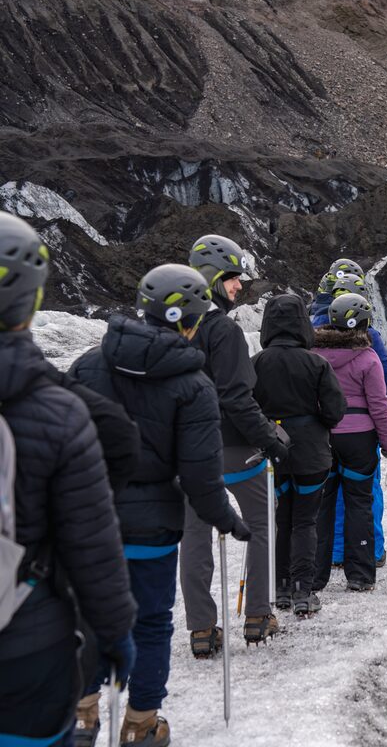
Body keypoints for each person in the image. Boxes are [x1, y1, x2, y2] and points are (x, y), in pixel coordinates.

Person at [71, 263, 250, 747]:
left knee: (87, 615)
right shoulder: (193, 386)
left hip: (90, 522)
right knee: (151, 621)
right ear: (190, 321)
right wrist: (226, 520)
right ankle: (141, 722)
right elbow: (199, 474)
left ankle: (83, 714)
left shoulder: (89, 365)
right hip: (151, 529)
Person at [0, 213, 137, 747]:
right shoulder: (59, 414)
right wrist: (114, 632)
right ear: (31, 303)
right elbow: (92, 547)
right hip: (26, 641)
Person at [179, 234, 290, 652]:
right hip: (234, 447)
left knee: (195, 533)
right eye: (232, 278)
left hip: (189, 452)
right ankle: (259, 616)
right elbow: (237, 399)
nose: (239, 286)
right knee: (260, 524)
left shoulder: (176, 328)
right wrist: (272, 440)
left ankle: (202, 629)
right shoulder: (222, 330)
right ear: (211, 278)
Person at [252, 294, 347, 616]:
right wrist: (316, 423)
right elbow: (335, 411)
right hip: (310, 452)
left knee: (283, 518)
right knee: (306, 521)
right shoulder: (316, 363)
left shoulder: (257, 362)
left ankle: (280, 587)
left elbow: (246, 406)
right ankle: (302, 591)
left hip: (271, 452)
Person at [310, 266, 387, 568]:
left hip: (321, 432)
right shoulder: (367, 341)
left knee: (329, 494)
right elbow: (384, 394)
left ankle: (334, 553)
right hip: (361, 434)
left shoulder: (311, 335)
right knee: (364, 495)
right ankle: (370, 553)